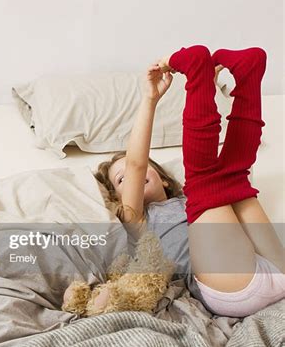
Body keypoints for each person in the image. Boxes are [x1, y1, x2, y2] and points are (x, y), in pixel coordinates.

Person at [95, 45, 285, 318]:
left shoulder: (189, 200)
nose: (134, 174)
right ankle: (197, 72)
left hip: (272, 267)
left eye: (143, 170)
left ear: (161, 176)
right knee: (208, 181)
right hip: (232, 290)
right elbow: (137, 163)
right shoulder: (138, 221)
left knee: (234, 176)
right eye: (121, 179)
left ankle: (248, 74)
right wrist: (150, 99)